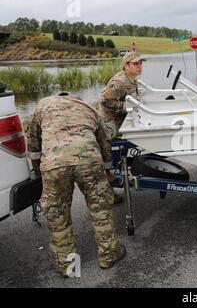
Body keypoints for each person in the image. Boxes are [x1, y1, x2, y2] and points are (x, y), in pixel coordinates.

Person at [27, 92, 126, 277]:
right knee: (100, 209)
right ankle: (109, 254)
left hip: (54, 163)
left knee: (57, 214)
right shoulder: (88, 108)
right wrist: (106, 170)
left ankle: (67, 266)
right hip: (89, 160)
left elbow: (33, 141)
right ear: (75, 99)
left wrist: (38, 169)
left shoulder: (42, 105)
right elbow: (104, 143)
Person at [98, 51, 145, 131]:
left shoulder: (132, 78)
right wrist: (127, 106)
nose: (139, 66)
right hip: (110, 123)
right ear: (126, 65)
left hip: (124, 119)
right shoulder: (119, 83)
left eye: (140, 63)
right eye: (135, 64)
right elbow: (104, 100)